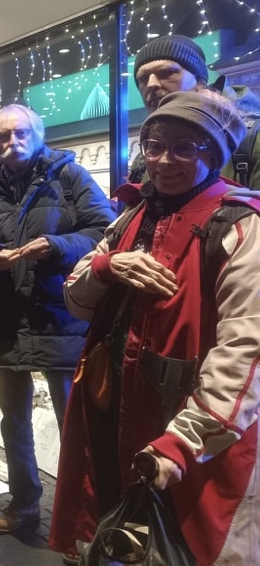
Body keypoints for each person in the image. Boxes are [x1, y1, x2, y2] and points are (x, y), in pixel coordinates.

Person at [50, 91, 260, 566]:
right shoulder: (133, 216)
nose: (164, 161)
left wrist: (182, 443)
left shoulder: (241, 228)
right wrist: (107, 267)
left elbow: (245, 353)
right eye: (155, 145)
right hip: (114, 412)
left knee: (183, 545)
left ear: (214, 155)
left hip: (190, 434)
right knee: (120, 531)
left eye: (185, 148)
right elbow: (76, 300)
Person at [0, 105, 114, 535]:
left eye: (21, 133)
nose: (13, 142)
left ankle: (85, 517)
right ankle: (24, 502)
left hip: (61, 315)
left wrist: (58, 246)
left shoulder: (69, 177)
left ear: (37, 134)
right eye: (3, 137)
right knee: (13, 418)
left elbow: (105, 230)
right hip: (8, 318)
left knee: (73, 422)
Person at [129, 34, 260, 187]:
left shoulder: (251, 138)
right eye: (143, 79)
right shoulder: (149, 152)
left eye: (167, 73)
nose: (151, 84)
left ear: (200, 83)